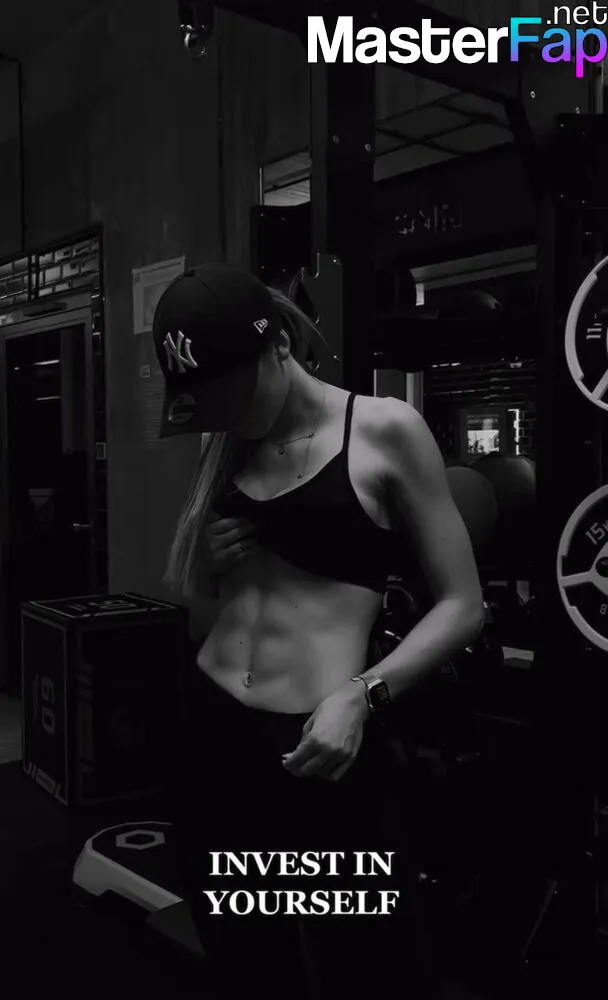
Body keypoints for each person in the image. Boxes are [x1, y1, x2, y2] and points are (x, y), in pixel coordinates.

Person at [155, 263, 485, 1000]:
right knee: (245, 961)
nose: (227, 414)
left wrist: (362, 696)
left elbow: (464, 605)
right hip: (212, 736)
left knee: (367, 966)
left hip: (318, 747)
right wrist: (208, 564)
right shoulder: (227, 447)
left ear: (277, 344)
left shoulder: (384, 430)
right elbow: (212, 612)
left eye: (234, 394)